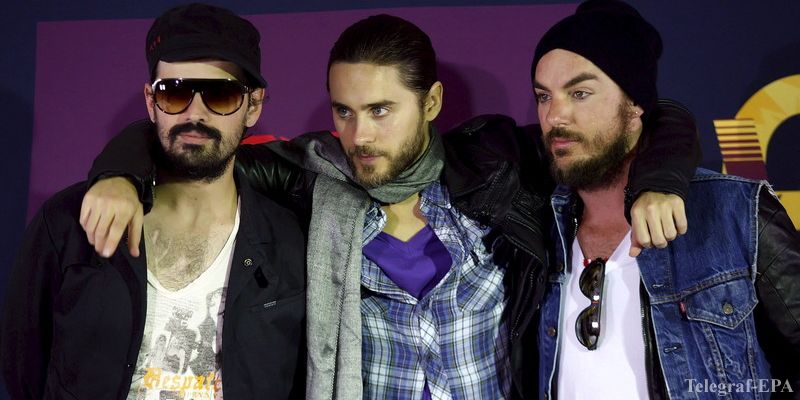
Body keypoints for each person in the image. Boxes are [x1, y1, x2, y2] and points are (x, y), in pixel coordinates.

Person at [77, 13, 700, 399]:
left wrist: (662, 179)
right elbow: (200, 141)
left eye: (381, 110)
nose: (360, 136)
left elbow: (650, 115)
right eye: (344, 111)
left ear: (431, 103)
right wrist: (119, 174)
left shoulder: (497, 164)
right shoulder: (310, 176)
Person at [0, 4, 306, 399]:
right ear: (150, 101)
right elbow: (24, 367)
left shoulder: (290, 242)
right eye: (174, 93)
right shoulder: (66, 223)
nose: (195, 114)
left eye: (221, 94)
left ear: (254, 105)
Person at [525, 1, 800, 399]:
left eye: (580, 93)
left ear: (635, 103)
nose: (555, 116)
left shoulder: (736, 211)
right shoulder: (533, 223)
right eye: (543, 96)